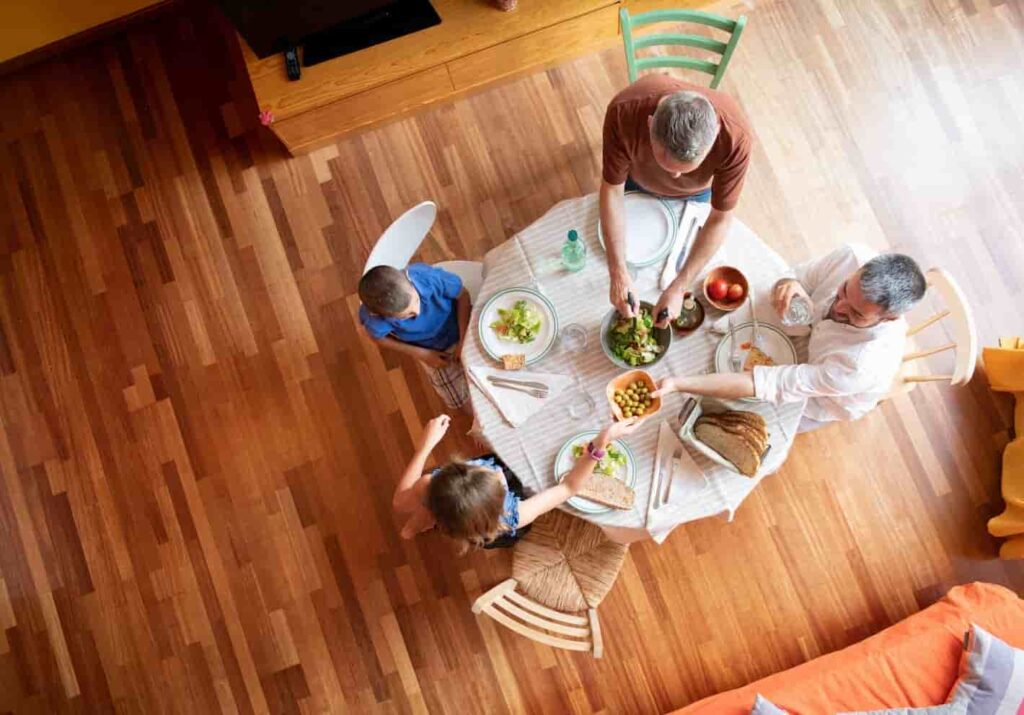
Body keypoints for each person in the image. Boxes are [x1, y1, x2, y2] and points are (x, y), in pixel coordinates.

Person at [653, 245, 928, 431]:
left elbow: (765, 383)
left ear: (890, 318)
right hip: (810, 339)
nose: (838, 307)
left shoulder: (859, 365)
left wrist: (678, 383)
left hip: (825, 399)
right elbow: (795, 276)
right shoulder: (851, 256)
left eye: (856, 314)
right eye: (843, 290)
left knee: (751, 419)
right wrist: (788, 285)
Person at [600, 74, 753, 328]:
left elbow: (721, 218)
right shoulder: (623, 111)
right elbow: (612, 190)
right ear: (650, 125)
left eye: (685, 169)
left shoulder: (736, 138)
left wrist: (680, 286)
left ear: (714, 133)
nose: (675, 177)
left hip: (698, 195)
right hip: (635, 181)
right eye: (667, 165)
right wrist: (618, 273)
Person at [392, 414, 644, 551]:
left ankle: (414, 527)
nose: (499, 473)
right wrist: (601, 444)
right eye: (500, 483)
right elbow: (569, 487)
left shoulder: (427, 484)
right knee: (430, 506)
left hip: (449, 513)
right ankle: (420, 523)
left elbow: (399, 502)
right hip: (462, 517)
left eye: (480, 468)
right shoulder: (516, 514)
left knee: (429, 506)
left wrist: (424, 447)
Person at [359, 264, 472, 411]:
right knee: (458, 399)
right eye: (407, 315)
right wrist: (421, 354)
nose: (417, 312)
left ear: (409, 279)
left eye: (417, 301)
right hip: (432, 349)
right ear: (379, 315)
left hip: (462, 324)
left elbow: (463, 295)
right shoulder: (373, 320)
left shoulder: (428, 278)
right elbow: (377, 338)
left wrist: (463, 339)